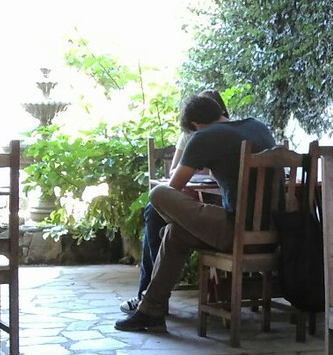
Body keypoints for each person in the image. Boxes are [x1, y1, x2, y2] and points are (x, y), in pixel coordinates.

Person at [115, 92, 275, 332]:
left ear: (195, 125)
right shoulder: (257, 126)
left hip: (236, 231)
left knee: (157, 195)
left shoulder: (204, 137)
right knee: (174, 233)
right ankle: (151, 311)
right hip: (273, 230)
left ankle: (149, 305)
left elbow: (174, 187)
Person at [121, 89, 229, 313]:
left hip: (222, 210)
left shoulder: (224, 134)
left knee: (159, 210)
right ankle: (149, 297)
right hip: (199, 199)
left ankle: (151, 299)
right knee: (158, 217)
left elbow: (175, 184)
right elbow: (174, 173)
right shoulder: (195, 135)